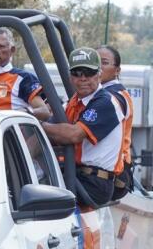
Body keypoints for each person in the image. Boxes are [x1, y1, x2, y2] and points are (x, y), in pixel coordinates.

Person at [41, 47, 126, 206]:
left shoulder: (106, 102)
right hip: (76, 175)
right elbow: (51, 130)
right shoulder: (73, 103)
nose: (83, 78)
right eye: (77, 73)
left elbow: (73, 135)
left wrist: (36, 125)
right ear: (70, 77)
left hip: (94, 183)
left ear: (99, 74)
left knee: (36, 200)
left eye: (89, 72)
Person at [0, 27, 51, 120]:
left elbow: (44, 111)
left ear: (12, 50)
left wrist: (21, 113)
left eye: (0, 46)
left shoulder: (23, 79)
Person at [98, 45, 135, 200]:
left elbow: (76, 133)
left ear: (117, 71)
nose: (98, 67)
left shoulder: (113, 98)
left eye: (104, 63)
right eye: (95, 62)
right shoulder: (99, 93)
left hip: (112, 175)